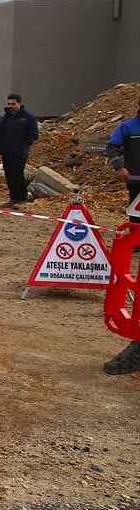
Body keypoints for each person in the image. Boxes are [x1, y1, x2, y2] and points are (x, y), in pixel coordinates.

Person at [102, 96, 140, 375]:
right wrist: (119, 167)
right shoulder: (128, 126)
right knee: (136, 216)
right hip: (136, 179)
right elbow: (112, 146)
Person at [0, 93, 39, 208]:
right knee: (9, 175)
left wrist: (23, 145)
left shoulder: (28, 118)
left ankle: (22, 199)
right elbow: (1, 133)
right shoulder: (7, 117)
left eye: (13, 104)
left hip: (20, 152)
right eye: (9, 104)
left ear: (19, 104)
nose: (10, 106)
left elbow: (33, 134)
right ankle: (13, 198)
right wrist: (0, 147)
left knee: (18, 175)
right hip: (7, 152)